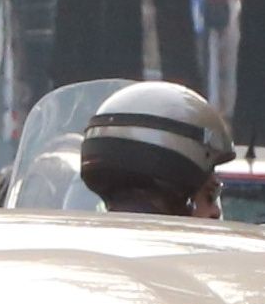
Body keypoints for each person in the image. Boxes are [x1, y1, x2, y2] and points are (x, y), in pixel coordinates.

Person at [77, 80, 235, 217]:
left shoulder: (71, 245)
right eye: (210, 195)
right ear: (181, 194)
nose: (216, 212)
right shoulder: (223, 251)